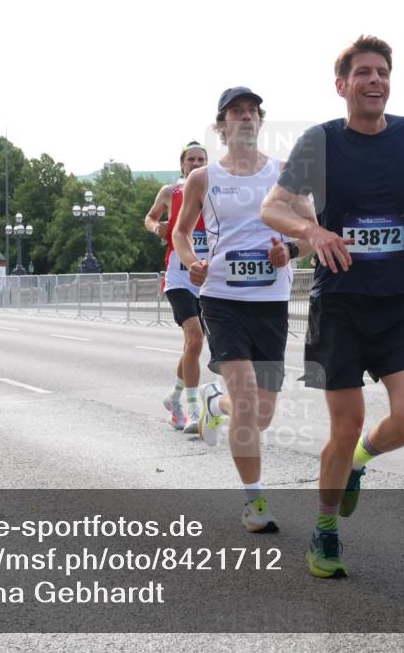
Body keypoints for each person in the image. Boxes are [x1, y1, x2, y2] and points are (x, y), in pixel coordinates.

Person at [260, 35, 404, 578]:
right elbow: (272, 207)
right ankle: (323, 532)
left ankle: (360, 465)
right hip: (338, 306)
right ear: (342, 84)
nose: (375, 81)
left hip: (394, 305)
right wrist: (312, 230)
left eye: (383, 72)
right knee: (344, 427)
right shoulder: (319, 143)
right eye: (364, 73)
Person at [175, 87, 308, 534]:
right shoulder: (203, 179)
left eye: (252, 111)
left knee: (261, 413)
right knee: (249, 397)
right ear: (221, 126)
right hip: (222, 299)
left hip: (270, 302)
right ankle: (254, 502)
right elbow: (179, 233)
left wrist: (288, 250)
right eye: (236, 112)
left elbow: (313, 233)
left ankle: (216, 403)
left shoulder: (285, 174)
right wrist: (192, 262)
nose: (246, 118)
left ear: (260, 121)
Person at [144, 141, 209, 431]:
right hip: (179, 276)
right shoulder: (171, 192)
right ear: (182, 164)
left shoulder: (217, 192)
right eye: (191, 159)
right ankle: (195, 411)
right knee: (194, 339)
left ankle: (175, 397)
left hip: (207, 277)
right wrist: (155, 227)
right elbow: (150, 216)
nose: (196, 164)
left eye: (201, 159)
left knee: (192, 346)